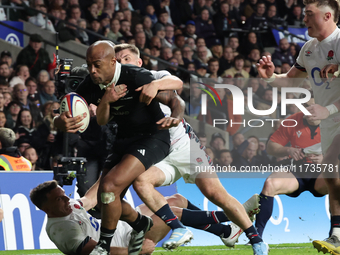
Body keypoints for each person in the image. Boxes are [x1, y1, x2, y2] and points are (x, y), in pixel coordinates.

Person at [113, 44, 269, 254]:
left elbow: (176, 82)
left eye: (126, 59)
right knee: (141, 182)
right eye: (118, 61)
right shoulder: (117, 91)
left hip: (186, 147)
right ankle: (178, 228)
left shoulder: (153, 75)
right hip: (159, 154)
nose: (122, 64)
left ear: (139, 62)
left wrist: (155, 84)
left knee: (217, 194)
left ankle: (256, 240)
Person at [54, 40, 178, 255]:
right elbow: (62, 112)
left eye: (97, 64)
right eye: (89, 64)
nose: (92, 70)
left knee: (110, 186)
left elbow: (175, 96)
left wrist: (176, 115)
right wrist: (59, 121)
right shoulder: (90, 84)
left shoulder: (135, 76)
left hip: (152, 138)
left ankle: (103, 246)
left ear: (113, 62)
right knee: (103, 203)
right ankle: (140, 224)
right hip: (123, 141)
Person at [256, 1, 340, 254]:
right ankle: (336, 235)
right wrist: (270, 76)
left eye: (309, 14)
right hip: (330, 125)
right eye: (304, 14)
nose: (303, 19)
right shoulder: (309, 49)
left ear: (327, 16)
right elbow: (290, 80)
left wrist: (330, 109)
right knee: (334, 180)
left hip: (334, 119)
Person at [29, 180, 260, 255]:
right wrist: (136, 251)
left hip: (124, 227)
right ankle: (232, 217)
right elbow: (99, 252)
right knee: (171, 213)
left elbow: (90, 198)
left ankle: (227, 231)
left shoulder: (68, 207)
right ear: (45, 206)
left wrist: (110, 174)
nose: (66, 200)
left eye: (64, 195)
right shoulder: (62, 230)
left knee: (176, 199)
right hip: (129, 241)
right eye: (59, 199)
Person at [255, 96, 328, 240]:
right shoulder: (293, 120)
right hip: (296, 170)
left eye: (315, 106)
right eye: (307, 106)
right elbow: (271, 147)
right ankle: (256, 237)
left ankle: (335, 236)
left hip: (324, 171)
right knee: (270, 184)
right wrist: (288, 150)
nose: (311, 110)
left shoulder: (334, 122)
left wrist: (326, 159)